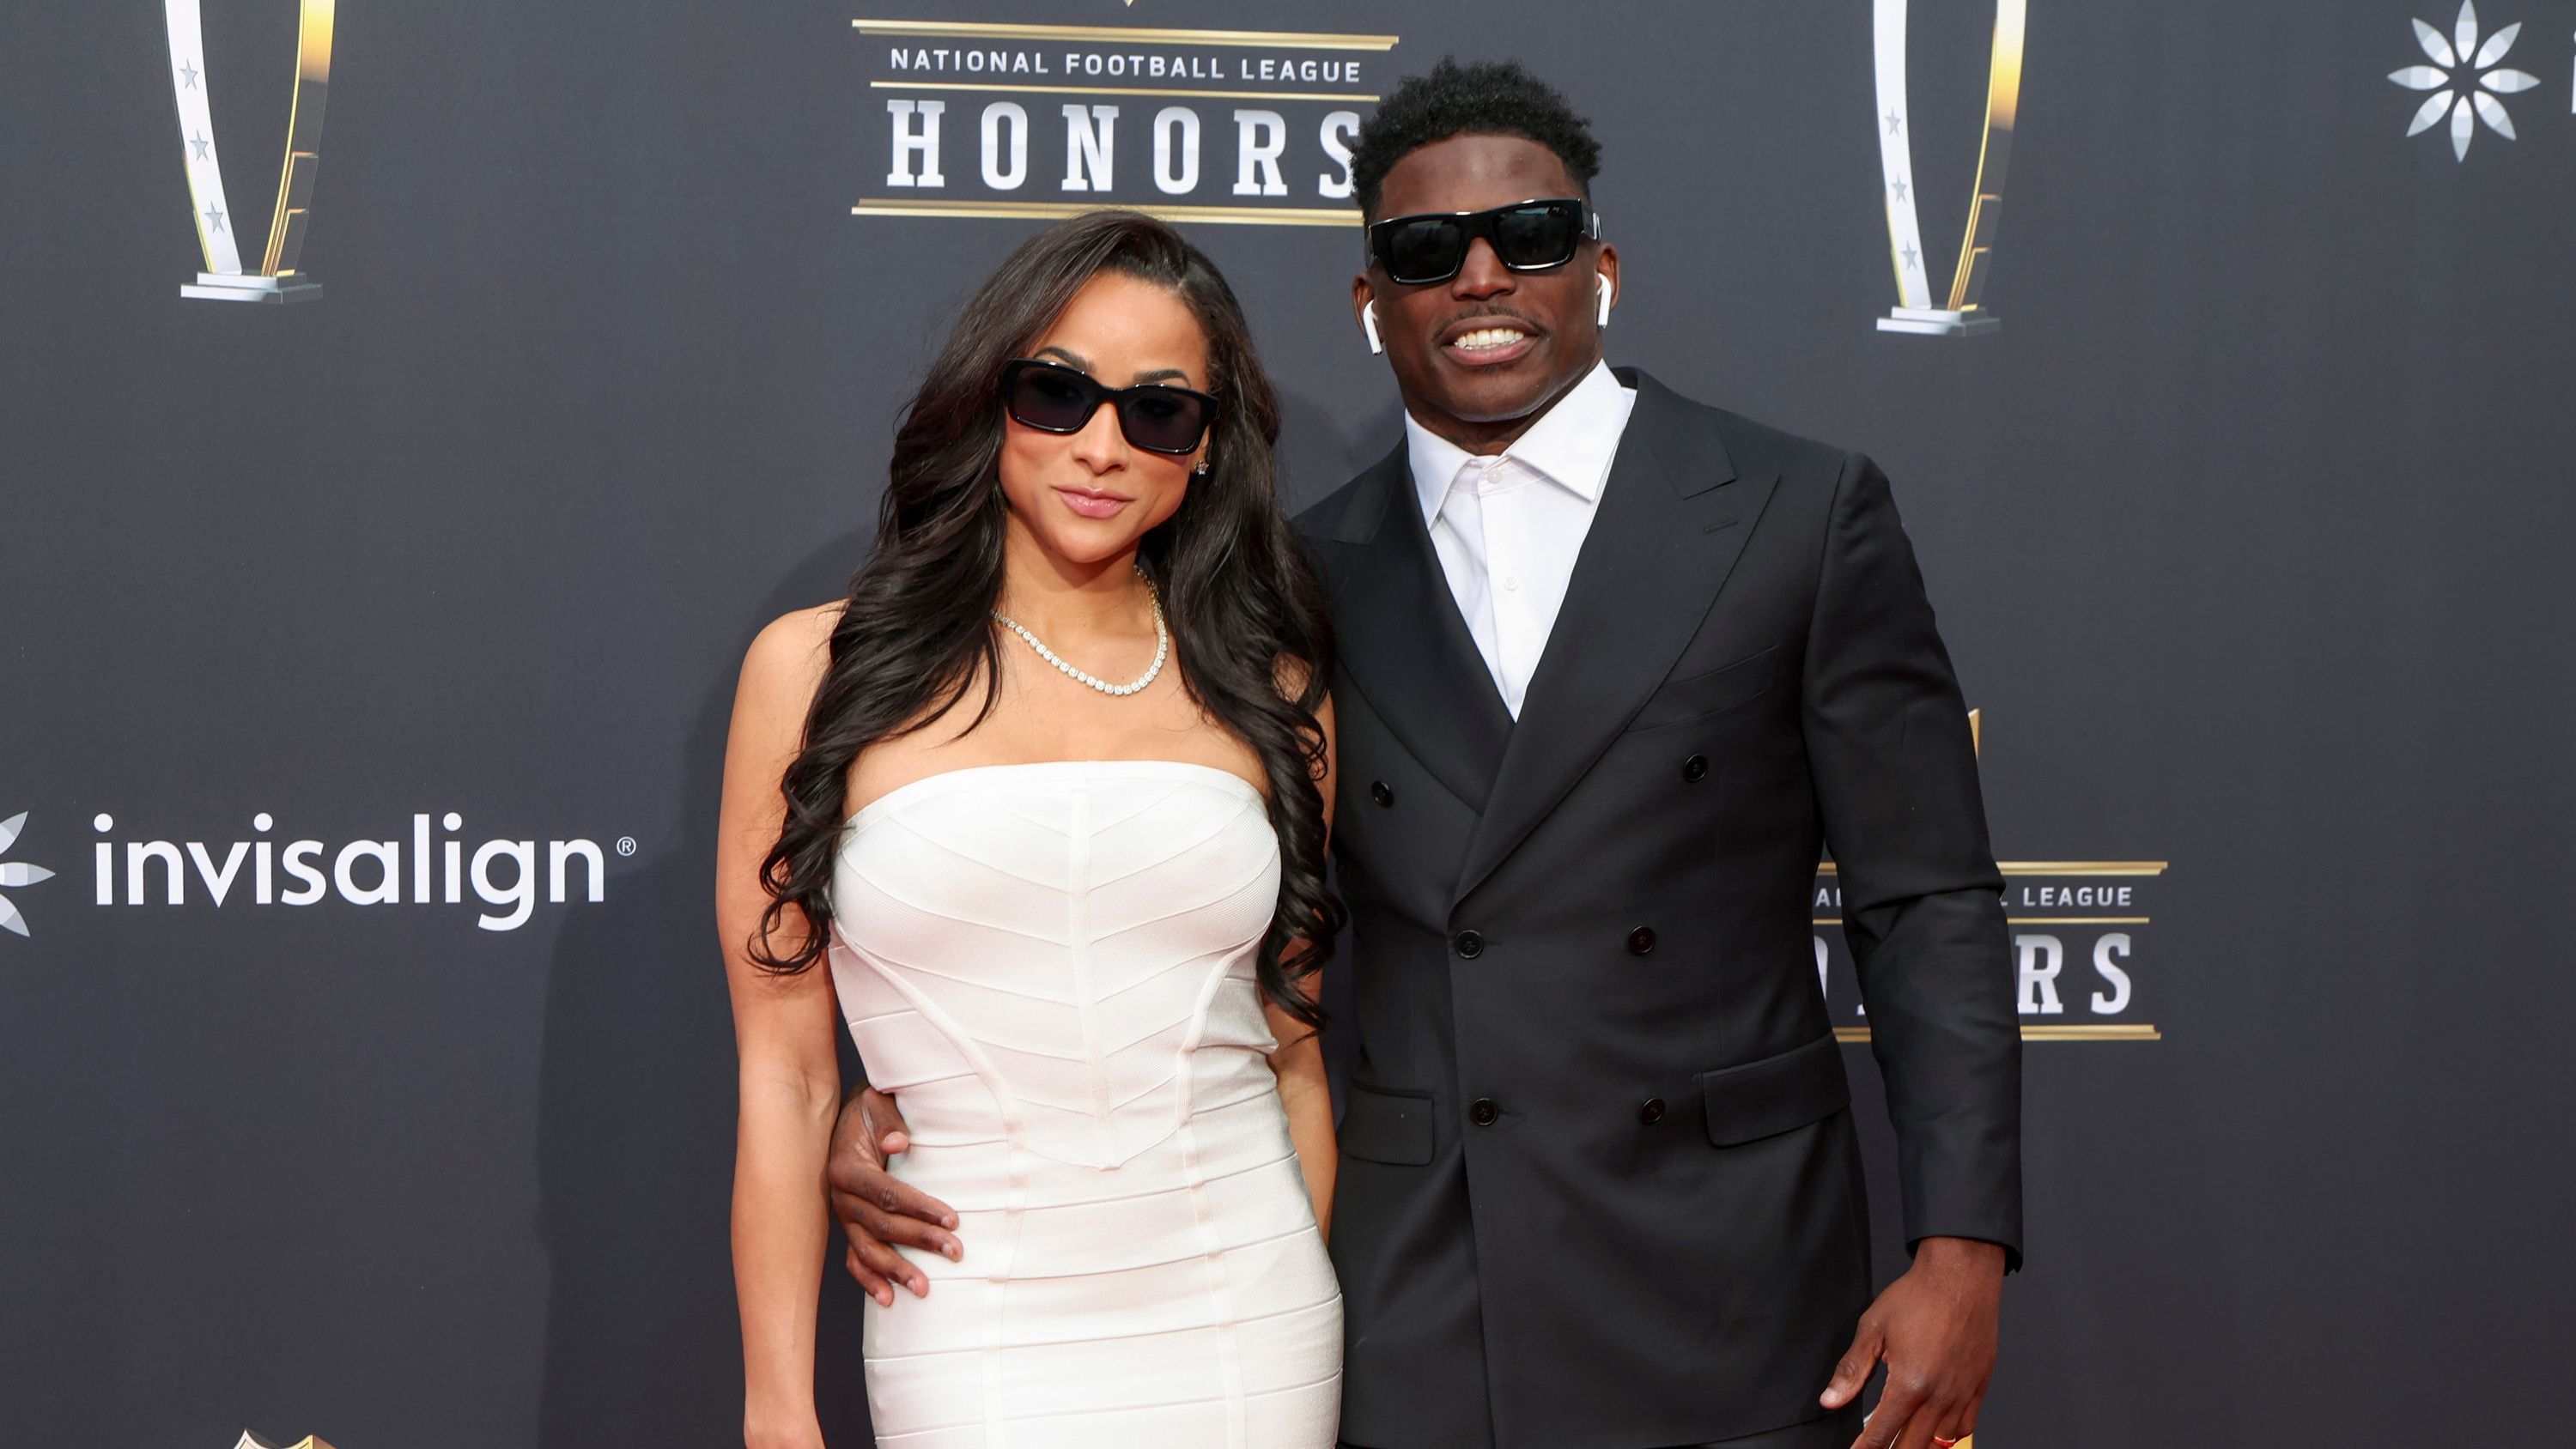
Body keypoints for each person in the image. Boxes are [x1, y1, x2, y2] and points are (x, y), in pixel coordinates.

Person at [833, 59, 2021, 1449]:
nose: (1481, 276)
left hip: (1731, 1277)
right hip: (1427, 1294)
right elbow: (1161, 894)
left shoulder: (1796, 513)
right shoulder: (1291, 582)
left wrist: (1961, 1246)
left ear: (1601, 269)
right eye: (1424, 249)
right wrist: (909, 1100)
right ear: (1369, 300)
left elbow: (1926, 900)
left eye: (1532, 235)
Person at [716, 210, 1346, 1448]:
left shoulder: (1273, 692)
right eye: (1057, 394)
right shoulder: (814, 672)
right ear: (990, 403)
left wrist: (1293, 1285)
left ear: (1207, 449)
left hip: (1247, 1313)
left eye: (1157, 412)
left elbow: (1295, 1053)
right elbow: (787, 1077)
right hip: (969, 1312)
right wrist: (778, 1408)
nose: (1102, 447)